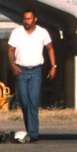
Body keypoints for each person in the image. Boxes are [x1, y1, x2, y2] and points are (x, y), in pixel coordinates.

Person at [6, 10, 55, 141]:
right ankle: (30, 130)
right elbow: (10, 50)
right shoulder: (17, 32)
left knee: (33, 102)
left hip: (35, 72)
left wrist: (53, 66)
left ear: (35, 19)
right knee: (24, 102)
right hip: (20, 71)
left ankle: (33, 134)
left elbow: (50, 48)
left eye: (29, 19)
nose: (26, 21)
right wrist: (13, 66)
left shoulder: (42, 32)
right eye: (24, 19)